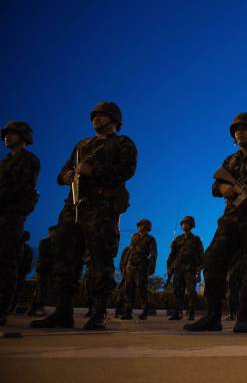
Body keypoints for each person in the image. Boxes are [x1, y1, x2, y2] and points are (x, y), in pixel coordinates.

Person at [31, 102, 137, 330]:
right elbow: (61, 174)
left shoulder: (122, 143)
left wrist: (94, 171)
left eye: (101, 115)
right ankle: (63, 311)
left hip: (102, 208)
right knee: (65, 259)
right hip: (74, 206)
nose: (96, 119)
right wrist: (67, 175)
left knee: (101, 260)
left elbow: (127, 171)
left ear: (114, 119)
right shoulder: (82, 145)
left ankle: (99, 313)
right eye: (94, 115)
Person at [184, 112, 247, 333]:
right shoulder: (230, 160)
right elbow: (215, 186)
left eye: (244, 129)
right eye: (236, 130)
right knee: (212, 261)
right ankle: (213, 316)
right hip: (230, 219)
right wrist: (225, 189)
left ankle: (244, 317)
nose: (240, 132)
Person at [0, 121, 40, 326]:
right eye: (5, 134)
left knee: (6, 262)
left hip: (11, 216)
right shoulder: (4, 162)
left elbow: (22, 188)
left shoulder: (29, 160)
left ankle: (2, 307)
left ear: (23, 136)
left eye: (12, 134)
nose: (7, 137)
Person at [167, 216, 203, 321]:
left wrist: (199, 271)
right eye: (183, 223)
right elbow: (172, 255)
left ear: (191, 225)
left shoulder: (196, 239)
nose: (184, 225)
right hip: (178, 269)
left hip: (190, 269)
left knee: (191, 292)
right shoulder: (178, 239)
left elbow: (201, 255)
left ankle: (191, 313)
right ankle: (177, 313)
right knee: (177, 291)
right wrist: (169, 267)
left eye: (186, 223)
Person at [121, 219, 157, 320]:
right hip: (130, 266)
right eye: (139, 225)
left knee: (142, 289)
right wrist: (125, 263)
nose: (139, 227)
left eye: (141, 225)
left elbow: (154, 254)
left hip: (141, 267)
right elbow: (130, 250)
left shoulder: (150, 239)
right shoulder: (134, 236)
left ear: (146, 227)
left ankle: (145, 311)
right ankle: (127, 312)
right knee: (128, 289)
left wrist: (151, 267)